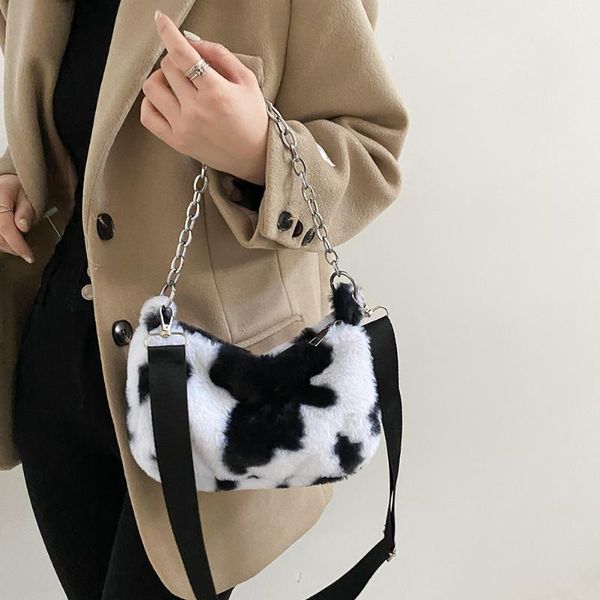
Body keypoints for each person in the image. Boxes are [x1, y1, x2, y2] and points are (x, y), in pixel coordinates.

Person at [0, 1, 409, 598]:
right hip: (56, 362)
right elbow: (64, 108)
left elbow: (371, 153)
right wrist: (17, 171)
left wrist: (258, 151)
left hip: (212, 393)